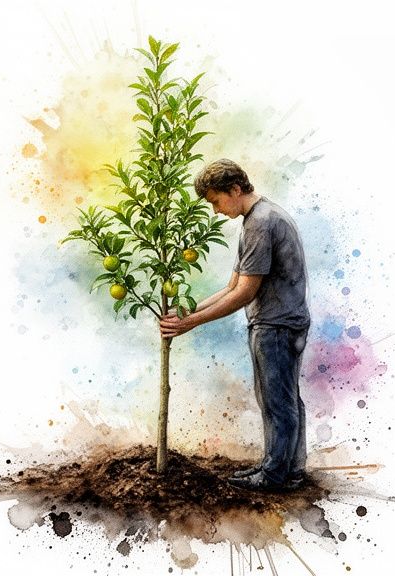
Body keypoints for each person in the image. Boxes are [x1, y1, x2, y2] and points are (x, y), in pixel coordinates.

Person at [159, 159, 311, 491]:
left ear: (235, 189)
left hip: (276, 324)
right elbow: (232, 286)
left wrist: (191, 323)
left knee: (277, 402)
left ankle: (274, 475)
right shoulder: (259, 218)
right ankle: (287, 470)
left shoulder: (260, 224)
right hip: (282, 322)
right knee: (283, 399)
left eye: (216, 201)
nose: (215, 210)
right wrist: (186, 312)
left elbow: (244, 293)